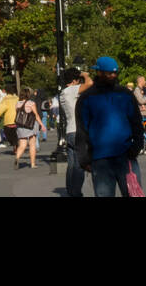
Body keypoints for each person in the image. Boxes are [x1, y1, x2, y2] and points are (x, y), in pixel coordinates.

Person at [74, 56, 145, 197]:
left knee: (133, 194)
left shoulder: (125, 94)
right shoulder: (86, 98)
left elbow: (136, 122)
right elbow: (82, 131)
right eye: (108, 73)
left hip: (126, 156)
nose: (113, 76)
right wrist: (84, 158)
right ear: (99, 73)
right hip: (101, 160)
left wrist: (136, 147)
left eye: (115, 73)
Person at [58, 68, 86, 197]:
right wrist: (84, 74)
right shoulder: (72, 90)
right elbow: (90, 84)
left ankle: (70, 190)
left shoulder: (63, 92)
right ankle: (76, 192)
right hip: (78, 131)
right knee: (80, 165)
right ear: (74, 81)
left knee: (71, 165)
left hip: (70, 131)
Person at [13, 90, 46, 170]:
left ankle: (17, 158)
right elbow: (36, 115)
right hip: (31, 125)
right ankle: (32, 164)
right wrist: (42, 125)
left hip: (20, 126)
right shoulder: (31, 103)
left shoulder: (17, 104)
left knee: (22, 145)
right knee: (32, 144)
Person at [0, 87, 20, 152]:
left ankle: (14, 144)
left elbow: (2, 108)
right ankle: (16, 144)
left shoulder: (6, 99)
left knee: (8, 133)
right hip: (18, 119)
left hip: (9, 119)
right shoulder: (17, 98)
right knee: (15, 134)